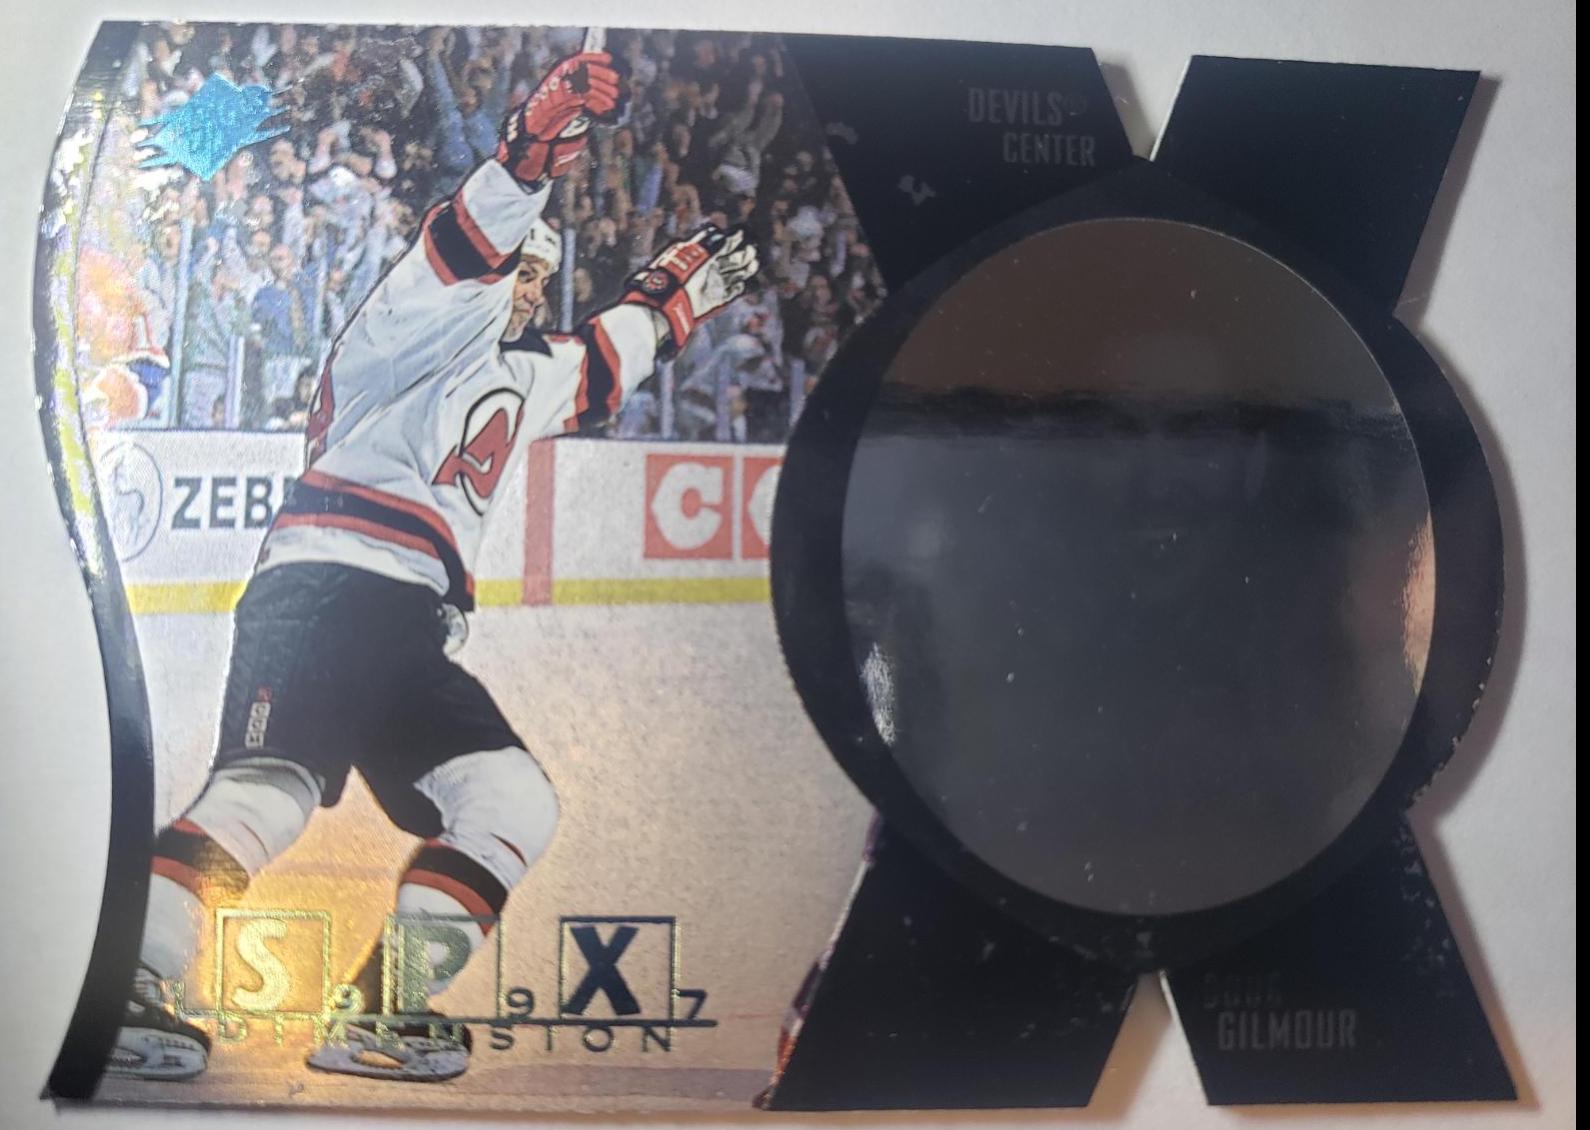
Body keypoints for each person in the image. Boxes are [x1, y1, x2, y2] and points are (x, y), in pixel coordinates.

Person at [112, 46, 758, 1084]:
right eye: (519, 268)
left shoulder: (521, 370)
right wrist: (533, 148)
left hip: (406, 623)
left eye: (541, 276)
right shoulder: (414, 317)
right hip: (326, 591)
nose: (528, 288)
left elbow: (603, 363)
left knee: (511, 802)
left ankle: (383, 1006)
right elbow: (474, 236)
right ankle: (130, 979)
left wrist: (672, 297)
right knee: (265, 794)